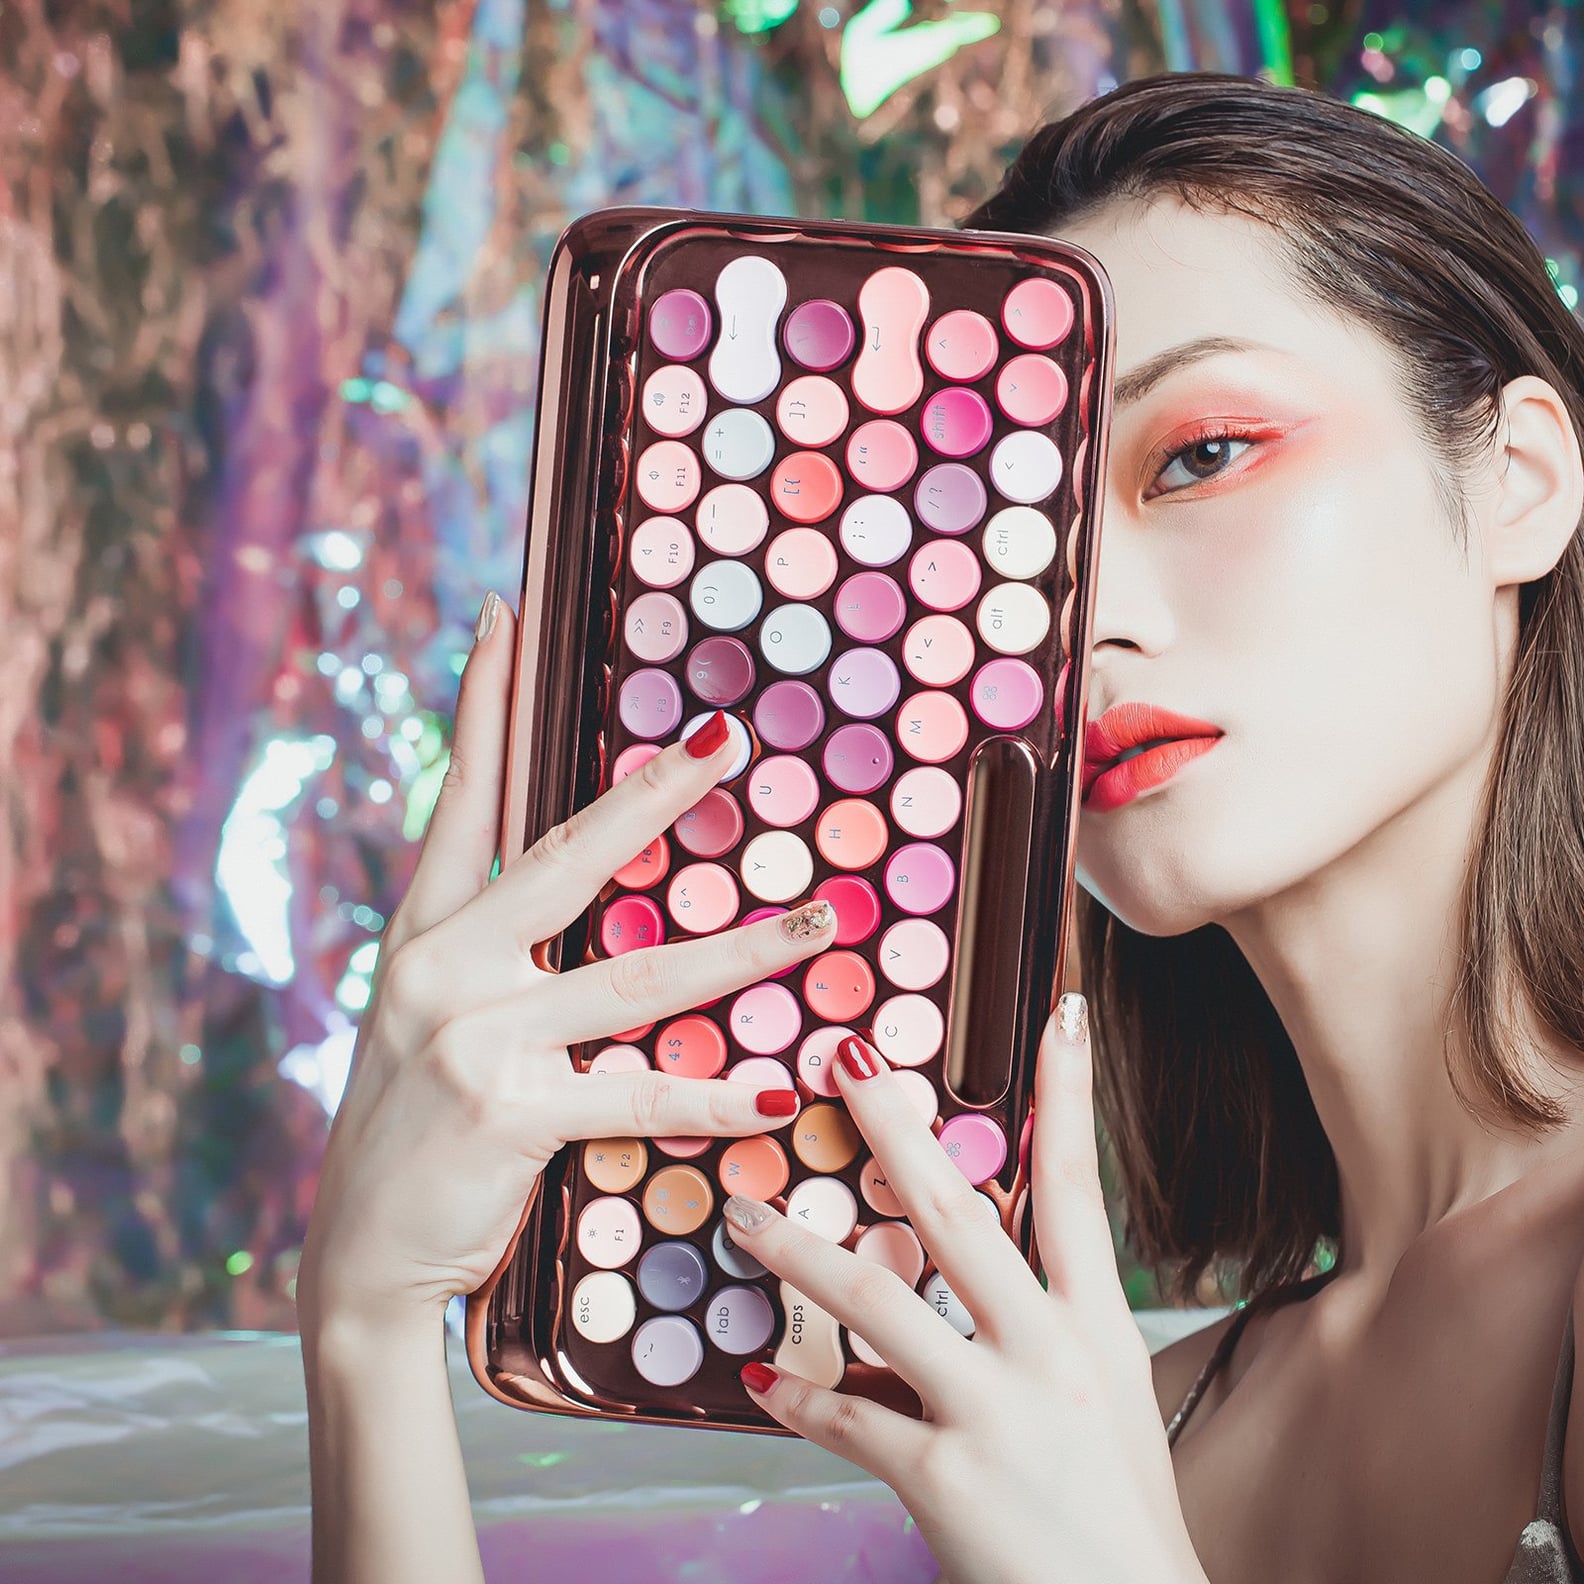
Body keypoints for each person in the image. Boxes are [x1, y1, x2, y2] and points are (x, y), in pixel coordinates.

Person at [297, 70, 1584, 1584]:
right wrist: (366, 1335)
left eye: (1202, 455)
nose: (1074, 620)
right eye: (1018, 542)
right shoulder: (1112, 1431)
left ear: (1522, 485)